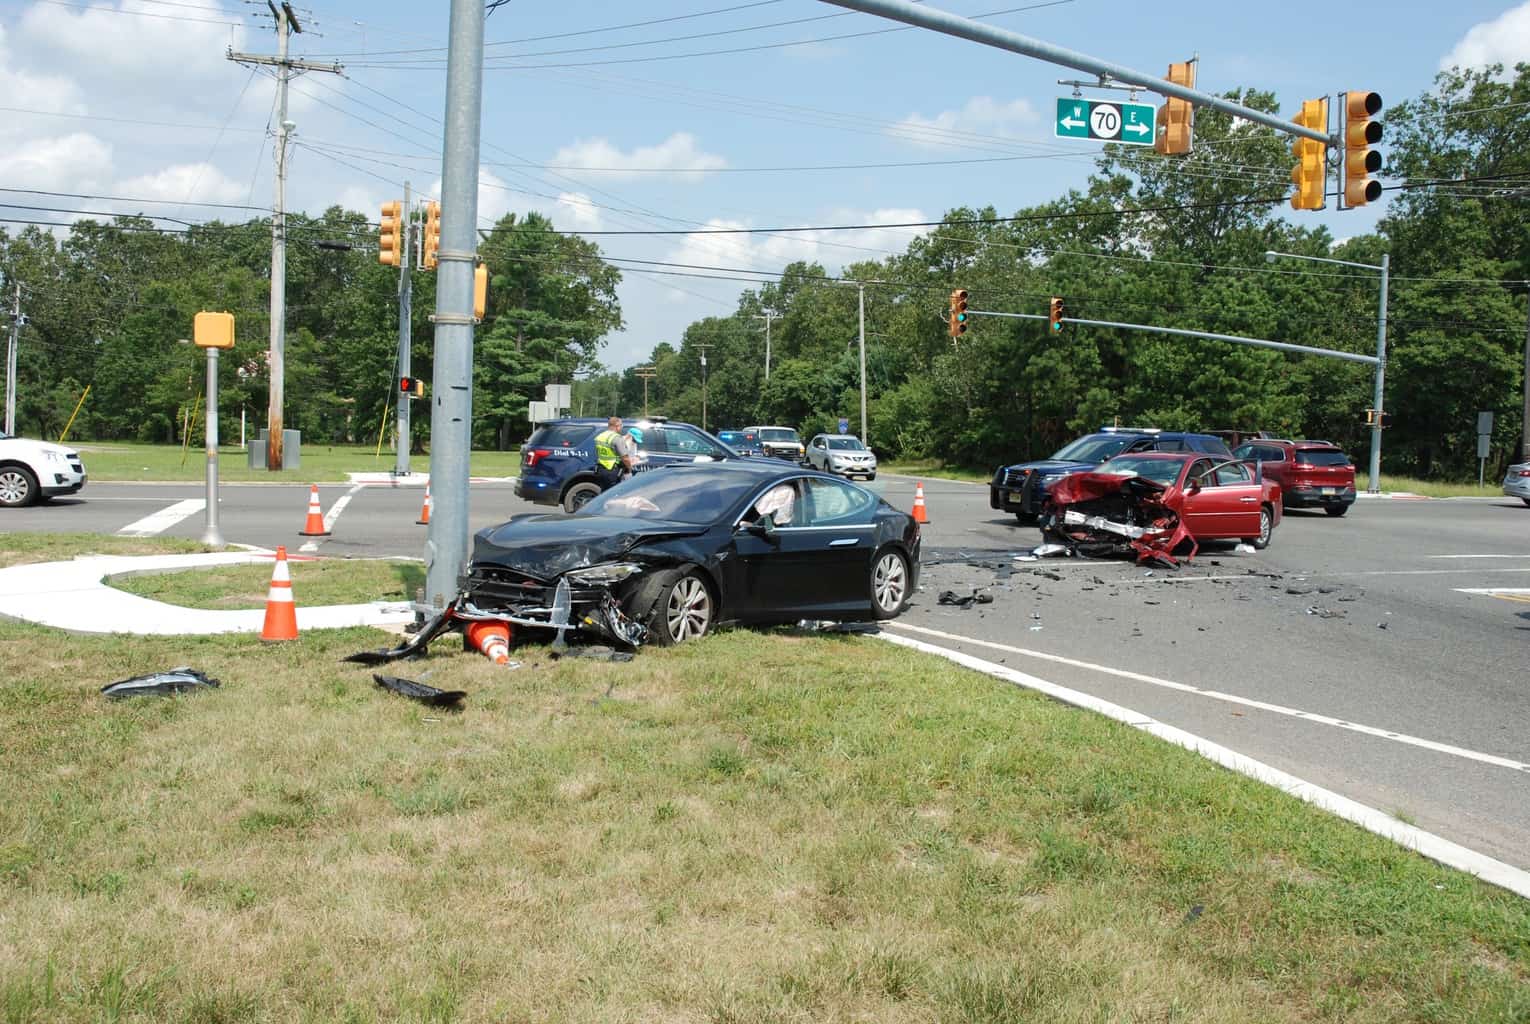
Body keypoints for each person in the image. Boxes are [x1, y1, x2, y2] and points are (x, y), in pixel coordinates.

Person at [593, 416, 637, 489]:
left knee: (604, 492)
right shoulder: (617, 438)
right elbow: (625, 458)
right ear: (617, 426)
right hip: (612, 471)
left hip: (600, 469)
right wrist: (629, 468)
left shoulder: (600, 436)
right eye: (621, 425)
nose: (622, 427)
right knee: (612, 494)